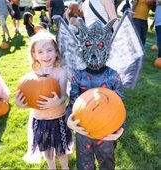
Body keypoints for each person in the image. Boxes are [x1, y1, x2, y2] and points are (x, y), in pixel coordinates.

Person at [63, 19, 125, 169]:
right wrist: (68, 120)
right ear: (82, 47)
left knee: (107, 163)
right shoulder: (78, 76)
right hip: (83, 131)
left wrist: (120, 128)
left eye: (101, 45)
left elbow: (120, 105)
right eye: (89, 45)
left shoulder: (113, 76)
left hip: (107, 132)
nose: (95, 52)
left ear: (108, 47)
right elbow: (73, 102)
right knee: (84, 164)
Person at [14, 31, 72, 169]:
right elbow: (31, 96)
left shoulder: (61, 72)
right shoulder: (33, 73)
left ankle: (65, 167)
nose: (46, 55)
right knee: (47, 151)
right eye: (40, 52)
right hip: (40, 120)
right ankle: (51, 167)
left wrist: (56, 101)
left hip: (58, 119)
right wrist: (20, 104)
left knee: (61, 151)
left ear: (56, 52)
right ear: (34, 55)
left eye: (49, 50)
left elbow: (64, 96)